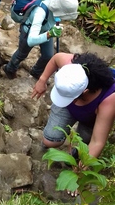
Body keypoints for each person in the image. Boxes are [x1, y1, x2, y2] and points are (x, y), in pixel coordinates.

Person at [32, 52, 115, 194]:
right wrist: (42, 79)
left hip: (92, 118)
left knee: (86, 144)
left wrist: (79, 176)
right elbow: (56, 57)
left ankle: (76, 154)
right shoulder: (72, 67)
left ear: (86, 90)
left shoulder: (109, 98)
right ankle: (54, 141)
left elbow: (97, 141)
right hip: (66, 106)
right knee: (50, 140)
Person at [2, 0, 79, 79]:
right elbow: (31, 41)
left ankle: (36, 72)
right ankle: (10, 69)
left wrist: (50, 31)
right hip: (29, 31)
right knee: (21, 54)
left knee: (48, 55)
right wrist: (50, 34)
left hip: (46, 29)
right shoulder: (40, 12)